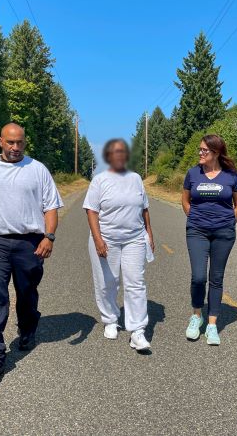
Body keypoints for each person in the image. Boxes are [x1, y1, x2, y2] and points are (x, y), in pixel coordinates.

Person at [0, 122, 63, 387]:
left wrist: (48, 236)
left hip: (30, 242)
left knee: (27, 291)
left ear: (24, 143)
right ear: (0, 141)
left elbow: (51, 207)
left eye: (19, 143)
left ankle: (28, 327)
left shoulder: (37, 169)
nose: (15, 147)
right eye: (10, 142)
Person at [83, 138, 154, 351]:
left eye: (123, 152)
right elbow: (91, 211)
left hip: (134, 238)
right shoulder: (100, 180)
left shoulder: (136, 178)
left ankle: (137, 331)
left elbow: (144, 209)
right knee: (107, 282)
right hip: (107, 238)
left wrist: (149, 234)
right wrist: (98, 239)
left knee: (136, 282)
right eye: (115, 153)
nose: (120, 156)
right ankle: (110, 320)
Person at [182, 134, 237, 346]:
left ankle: (211, 325)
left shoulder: (232, 176)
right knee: (199, 276)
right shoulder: (193, 174)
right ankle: (196, 316)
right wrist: (194, 218)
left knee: (216, 278)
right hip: (197, 231)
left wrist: (228, 223)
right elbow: (185, 200)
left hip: (223, 233)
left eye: (204, 150)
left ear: (216, 153)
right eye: (199, 150)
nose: (200, 153)